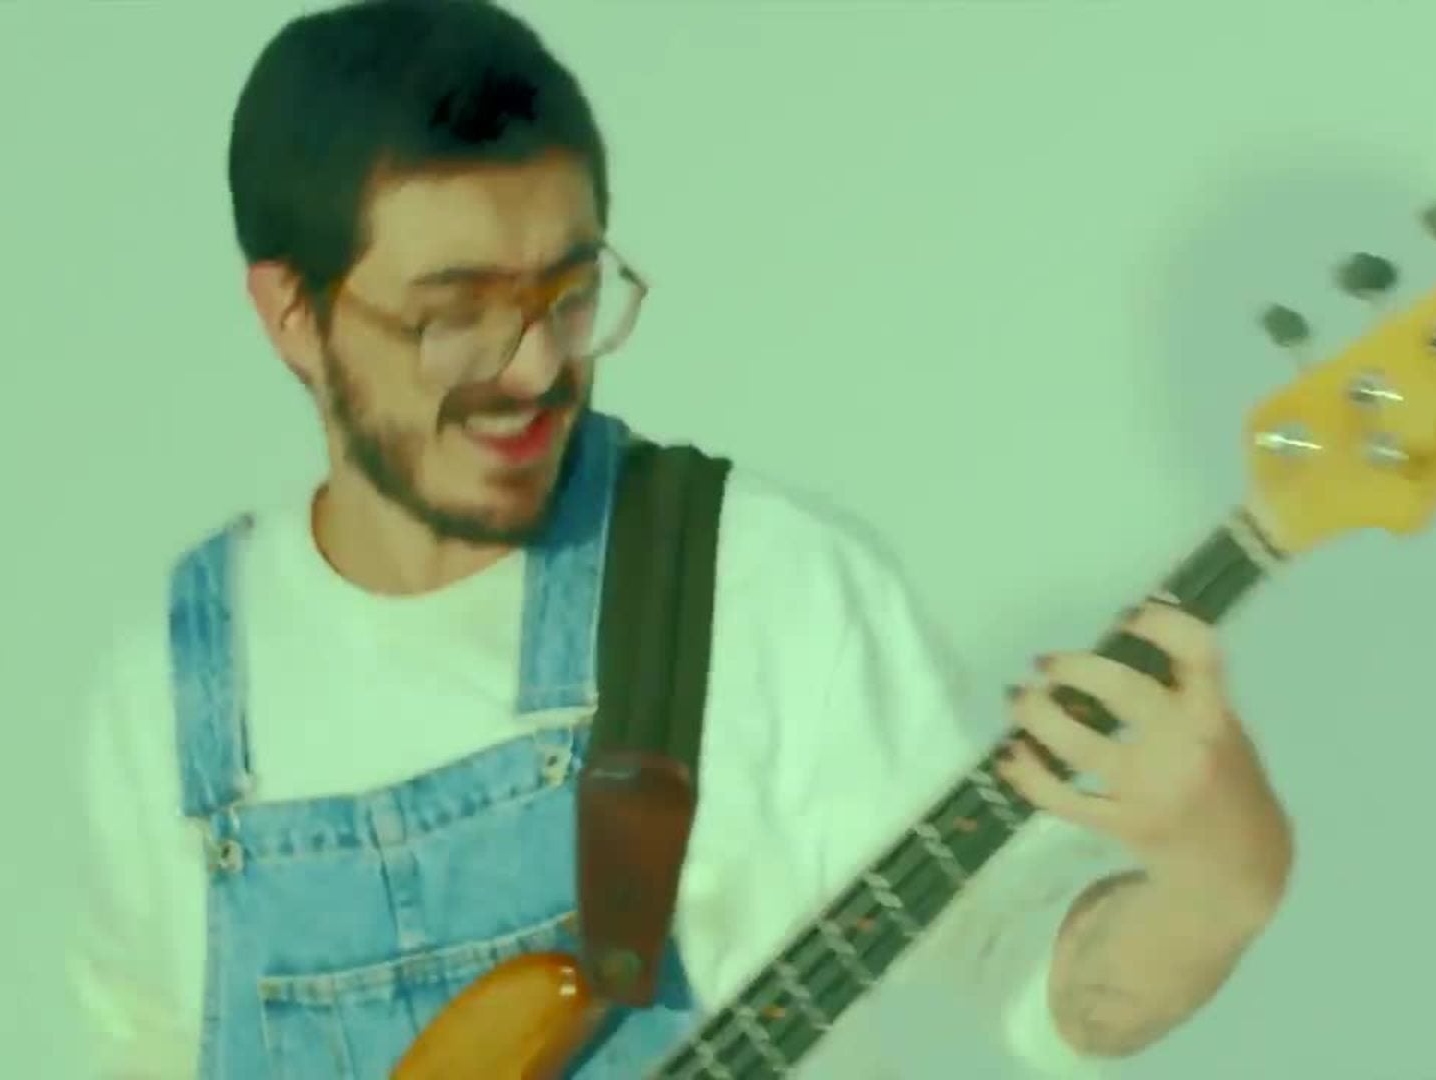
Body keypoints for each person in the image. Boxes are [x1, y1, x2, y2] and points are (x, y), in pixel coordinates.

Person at [67, 1, 1296, 1076]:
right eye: (457, 316)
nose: (535, 368)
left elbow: (1026, 972)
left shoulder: (759, 585)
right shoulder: (172, 697)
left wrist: (1226, 877)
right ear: (294, 314)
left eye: (570, 294)